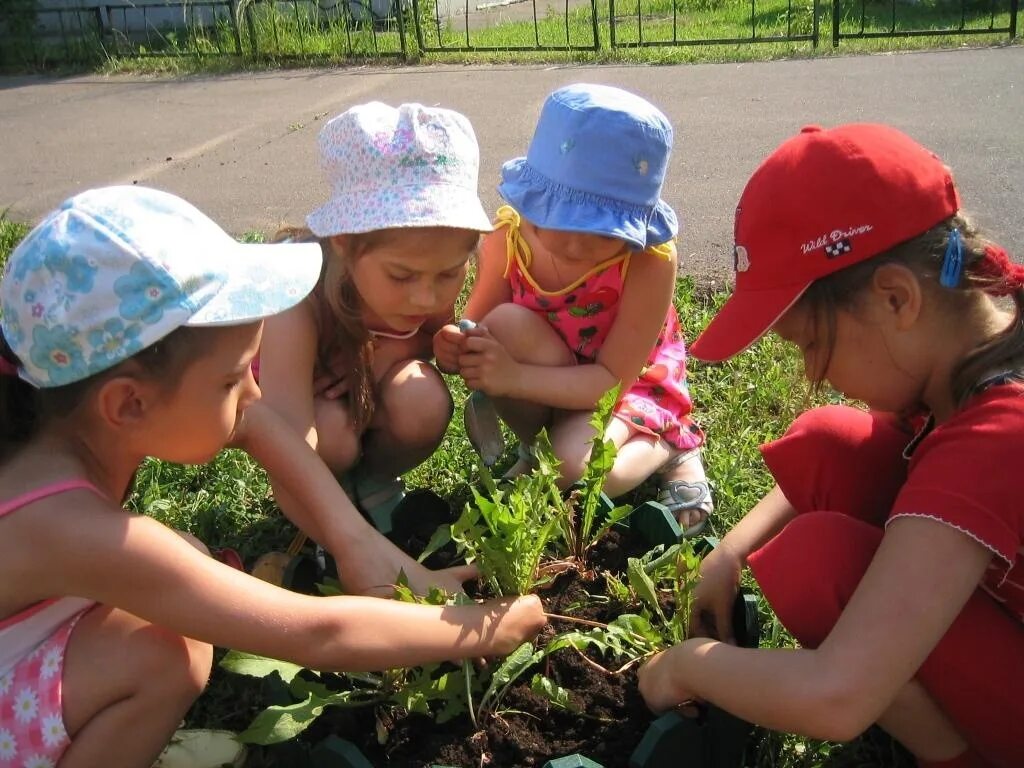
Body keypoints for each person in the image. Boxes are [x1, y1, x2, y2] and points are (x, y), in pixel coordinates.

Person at [0, 186, 545, 768]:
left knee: (181, 558)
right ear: (128, 403)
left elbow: (258, 424)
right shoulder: (73, 528)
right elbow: (318, 635)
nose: (253, 397)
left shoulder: (63, 431)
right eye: (233, 380)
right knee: (167, 653)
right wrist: (484, 628)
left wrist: (355, 543)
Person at [637, 124, 1024, 768]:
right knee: (827, 440)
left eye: (812, 346)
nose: (813, 373)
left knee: (821, 563)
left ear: (896, 298)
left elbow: (836, 699)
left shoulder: (995, 436)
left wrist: (688, 667)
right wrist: (728, 556)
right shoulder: (984, 331)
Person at [434, 83, 712, 535]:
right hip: (548, 376)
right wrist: (456, 346)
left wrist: (515, 378)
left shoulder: (647, 260)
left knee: (584, 470)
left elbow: (610, 379)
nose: (577, 243)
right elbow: (478, 324)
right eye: (562, 219)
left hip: (622, 386)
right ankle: (538, 447)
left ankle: (670, 445)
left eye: (602, 229)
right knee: (498, 326)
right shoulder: (508, 237)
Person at [256, 100, 493, 544]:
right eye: (401, 276)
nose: (427, 297)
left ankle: (372, 482)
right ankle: (329, 498)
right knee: (334, 440)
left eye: (448, 274)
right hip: (310, 417)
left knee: (422, 399)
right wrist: (351, 549)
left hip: (366, 400)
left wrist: (439, 344)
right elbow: (284, 442)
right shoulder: (298, 294)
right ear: (344, 242)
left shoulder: (422, 272)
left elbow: (419, 340)